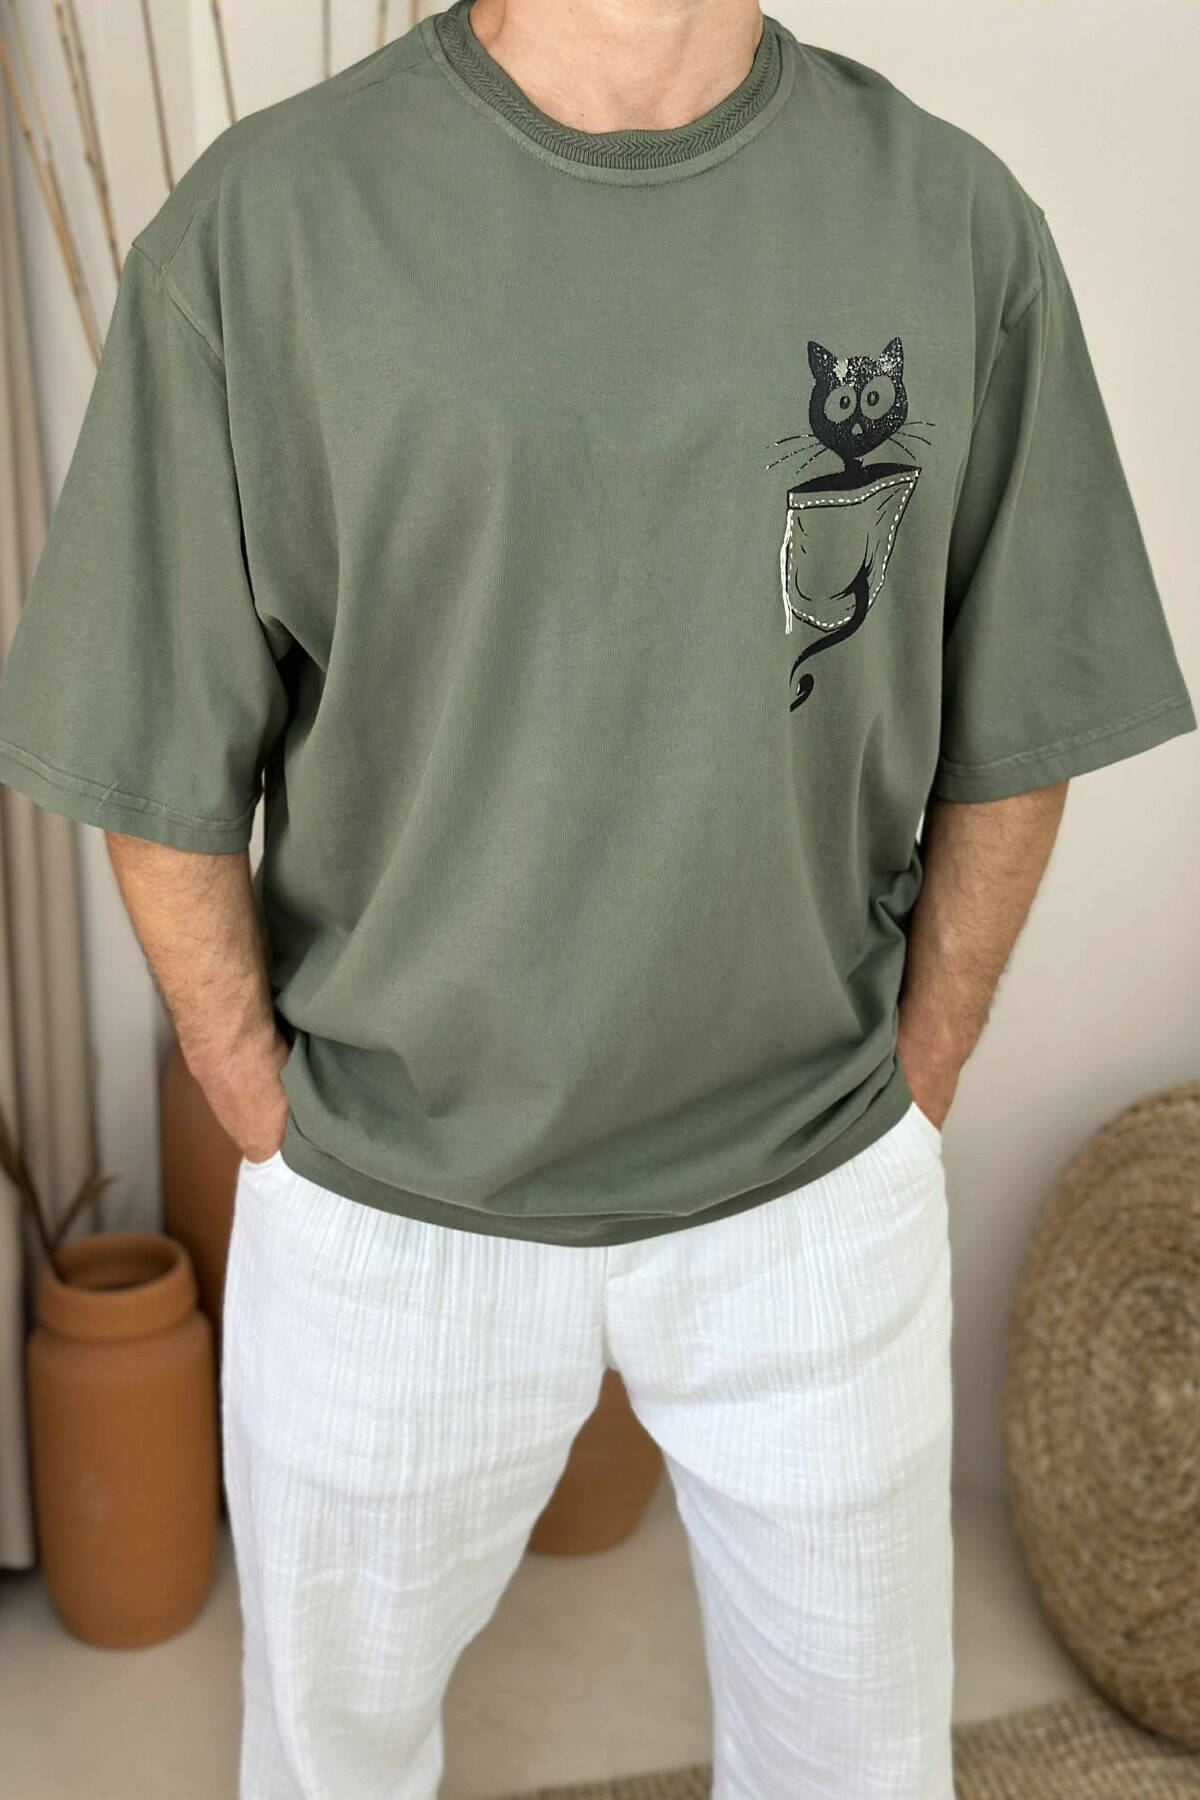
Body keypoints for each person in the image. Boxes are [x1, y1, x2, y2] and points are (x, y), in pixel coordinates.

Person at [0, 1, 1193, 1794]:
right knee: (331, 1765)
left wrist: (919, 1073)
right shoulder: (267, 228)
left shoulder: (952, 223)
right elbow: (150, 735)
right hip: (391, 1200)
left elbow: (1024, 710)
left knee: (861, 1770)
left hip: (813, 1185)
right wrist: (256, 1098)